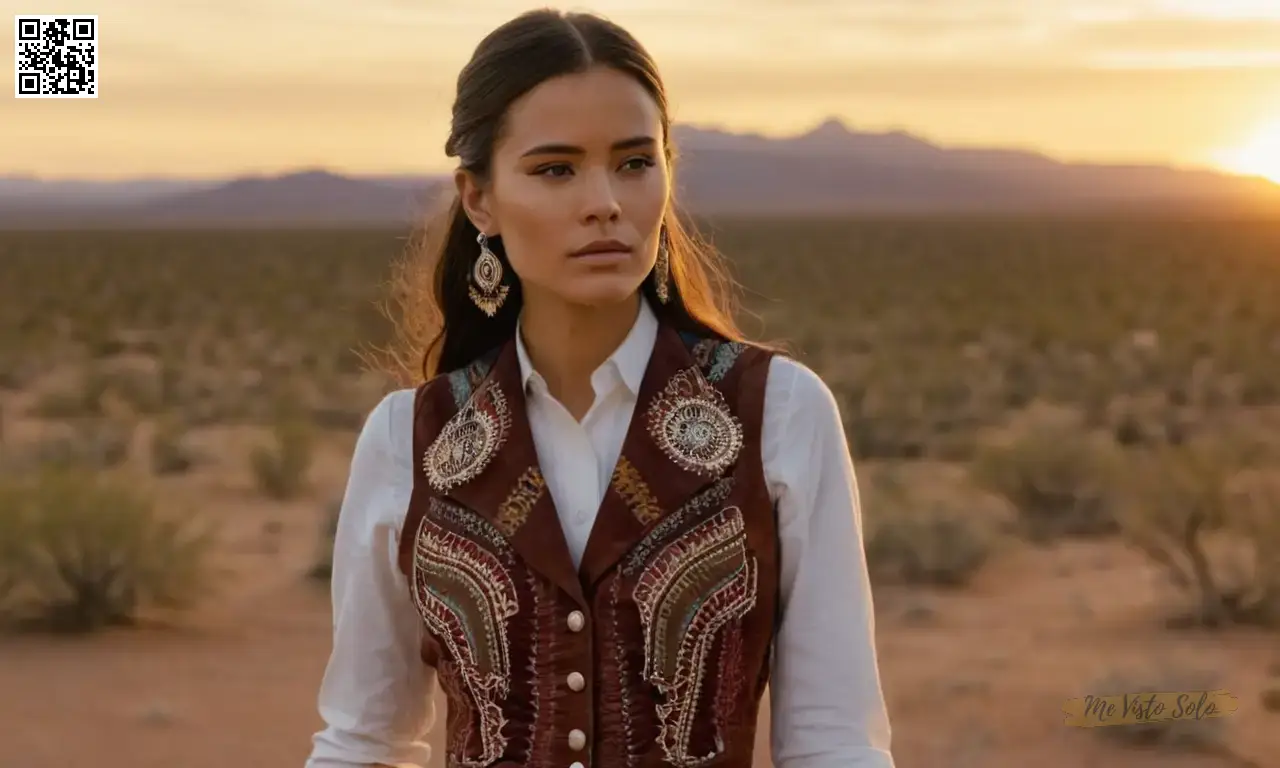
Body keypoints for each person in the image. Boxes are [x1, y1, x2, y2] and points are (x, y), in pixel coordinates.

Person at [304, 8, 894, 768]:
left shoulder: (779, 412)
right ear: (478, 198)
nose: (605, 202)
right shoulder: (406, 439)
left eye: (634, 162)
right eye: (555, 169)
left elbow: (835, 741)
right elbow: (364, 740)